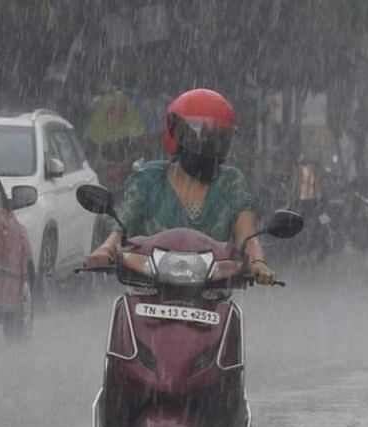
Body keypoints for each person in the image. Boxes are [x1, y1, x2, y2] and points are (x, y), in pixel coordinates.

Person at [86, 89, 276, 285]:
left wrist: (258, 262)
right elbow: (122, 227)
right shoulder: (148, 179)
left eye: (215, 139)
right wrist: (106, 249)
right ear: (173, 133)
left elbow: (248, 237)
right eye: (194, 136)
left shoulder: (231, 183)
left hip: (212, 297)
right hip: (148, 292)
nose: (204, 146)